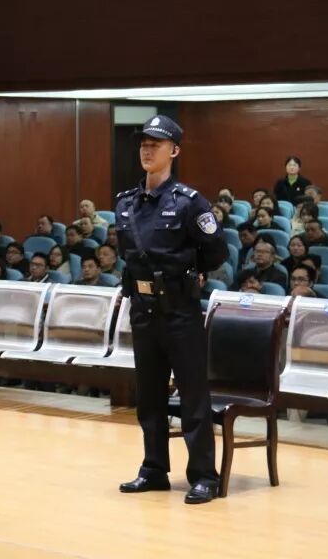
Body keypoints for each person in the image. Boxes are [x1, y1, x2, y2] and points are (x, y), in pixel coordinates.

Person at [115, 115, 227, 505]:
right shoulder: (125, 203)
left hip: (180, 310)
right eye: (144, 143)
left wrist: (189, 273)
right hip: (142, 309)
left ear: (174, 151)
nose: (147, 150)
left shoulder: (189, 202)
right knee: (149, 396)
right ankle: (153, 469)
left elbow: (216, 251)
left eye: (156, 144)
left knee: (193, 396)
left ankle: (204, 477)